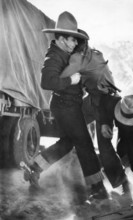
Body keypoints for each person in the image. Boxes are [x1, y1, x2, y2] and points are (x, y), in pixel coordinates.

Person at [24, 11, 108, 200]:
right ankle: (98, 188)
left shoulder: (65, 53)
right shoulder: (54, 56)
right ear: (60, 39)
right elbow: (47, 81)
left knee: (67, 143)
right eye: (70, 40)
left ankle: (34, 167)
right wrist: (70, 80)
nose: (73, 44)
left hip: (68, 105)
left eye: (75, 41)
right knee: (85, 143)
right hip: (66, 107)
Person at [59, 29, 129, 191]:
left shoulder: (80, 59)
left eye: (76, 43)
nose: (73, 46)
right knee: (78, 130)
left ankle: (121, 182)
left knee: (104, 147)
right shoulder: (95, 54)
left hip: (104, 102)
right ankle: (104, 182)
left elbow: (68, 80)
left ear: (81, 45)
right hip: (98, 100)